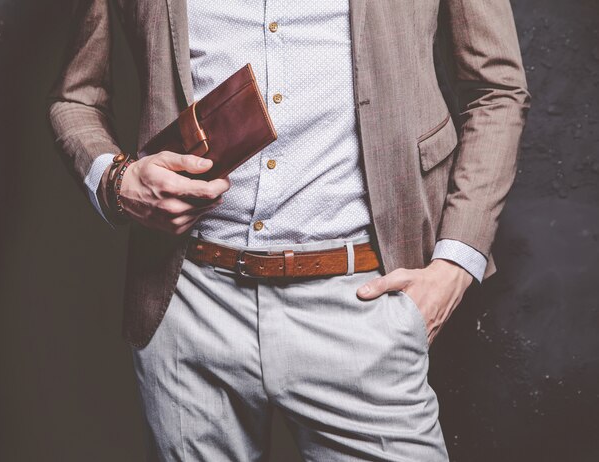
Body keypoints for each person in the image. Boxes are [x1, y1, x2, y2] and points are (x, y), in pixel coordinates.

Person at [48, 1, 530, 460]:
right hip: (188, 302)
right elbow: (76, 97)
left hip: (363, 304)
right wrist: (116, 179)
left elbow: (497, 89)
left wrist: (455, 264)